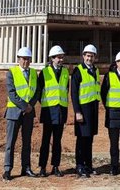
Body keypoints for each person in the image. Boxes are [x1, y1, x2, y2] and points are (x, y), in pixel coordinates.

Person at [3, 46, 40, 181]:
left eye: (28, 59)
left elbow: (37, 91)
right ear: (18, 59)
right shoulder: (11, 73)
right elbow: (12, 93)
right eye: (23, 59)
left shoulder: (34, 73)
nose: (26, 61)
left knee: (27, 142)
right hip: (14, 113)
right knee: (10, 143)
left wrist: (31, 106)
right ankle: (7, 169)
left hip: (29, 113)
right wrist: (25, 106)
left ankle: (26, 168)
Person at [37, 45, 69, 177]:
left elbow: (66, 90)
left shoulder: (66, 72)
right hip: (48, 112)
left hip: (61, 111)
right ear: (52, 58)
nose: (61, 59)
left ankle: (55, 166)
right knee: (45, 141)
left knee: (57, 141)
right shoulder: (44, 73)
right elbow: (39, 92)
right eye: (58, 57)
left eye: (62, 57)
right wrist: (46, 103)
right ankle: (42, 167)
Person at [71, 44, 100, 178]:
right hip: (82, 110)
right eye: (87, 56)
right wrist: (77, 111)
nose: (89, 58)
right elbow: (74, 93)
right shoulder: (78, 71)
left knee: (89, 139)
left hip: (93, 110)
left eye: (92, 56)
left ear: (94, 57)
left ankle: (88, 165)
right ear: (83, 56)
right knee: (82, 139)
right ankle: (80, 166)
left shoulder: (96, 70)